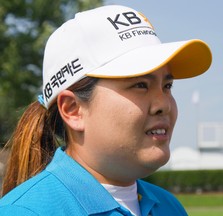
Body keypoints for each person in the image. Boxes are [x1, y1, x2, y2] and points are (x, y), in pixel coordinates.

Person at [0, 5, 212, 216]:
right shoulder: (23, 211)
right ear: (73, 110)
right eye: (140, 85)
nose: (164, 105)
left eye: (167, 86)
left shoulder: (169, 207)